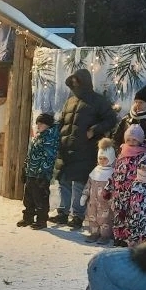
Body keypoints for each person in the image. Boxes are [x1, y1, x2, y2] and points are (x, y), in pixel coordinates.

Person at [51, 69, 118, 230]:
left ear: (84, 81)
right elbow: (63, 121)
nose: (74, 84)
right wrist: (57, 136)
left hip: (85, 149)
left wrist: (94, 130)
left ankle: (77, 215)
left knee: (79, 184)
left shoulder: (98, 101)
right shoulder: (70, 100)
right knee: (64, 181)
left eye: (77, 81)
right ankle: (62, 212)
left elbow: (111, 119)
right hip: (66, 148)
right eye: (73, 81)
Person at [106, 124, 146, 247]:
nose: (131, 142)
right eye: (128, 139)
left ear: (140, 140)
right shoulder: (122, 153)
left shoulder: (143, 155)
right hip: (119, 191)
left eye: (134, 140)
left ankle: (129, 238)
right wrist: (109, 187)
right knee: (118, 214)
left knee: (131, 216)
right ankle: (118, 237)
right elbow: (115, 172)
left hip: (134, 193)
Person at [17, 112, 60, 230]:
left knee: (40, 197)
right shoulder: (37, 137)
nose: (38, 126)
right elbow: (30, 154)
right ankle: (28, 217)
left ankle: (41, 220)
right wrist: (25, 168)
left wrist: (43, 173)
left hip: (41, 174)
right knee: (29, 197)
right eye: (37, 123)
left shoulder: (50, 139)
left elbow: (49, 158)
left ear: (48, 125)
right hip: (31, 172)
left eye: (41, 124)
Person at [80, 138, 115, 244]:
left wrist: (113, 200)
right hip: (92, 202)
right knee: (92, 218)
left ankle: (105, 235)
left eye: (105, 159)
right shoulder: (95, 171)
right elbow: (88, 184)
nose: (102, 161)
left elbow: (113, 188)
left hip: (105, 203)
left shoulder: (112, 173)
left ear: (111, 159)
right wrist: (84, 195)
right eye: (100, 158)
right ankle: (94, 233)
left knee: (105, 220)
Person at [110, 84, 146, 150]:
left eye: (141, 102)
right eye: (136, 102)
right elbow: (116, 138)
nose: (137, 105)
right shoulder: (127, 118)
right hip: (124, 154)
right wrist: (119, 152)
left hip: (144, 155)